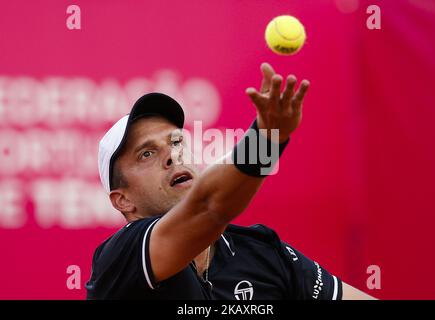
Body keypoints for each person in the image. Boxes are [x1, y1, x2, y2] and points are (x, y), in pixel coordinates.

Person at [86, 63, 375, 300]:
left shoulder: (263, 254)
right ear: (123, 200)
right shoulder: (120, 258)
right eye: (146, 153)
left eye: (176, 142)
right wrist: (267, 138)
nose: (173, 156)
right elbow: (210, 208)